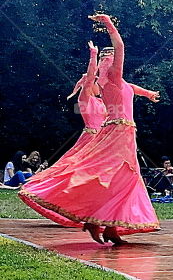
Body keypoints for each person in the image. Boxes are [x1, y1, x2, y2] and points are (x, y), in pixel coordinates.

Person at [20, 15, 160, 243]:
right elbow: (119, 47)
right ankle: (96, 220)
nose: (115, 58)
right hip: (117, 133)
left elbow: (132, 87)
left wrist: (148, 94)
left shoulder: (118, 82)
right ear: (110, 63)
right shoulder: (112, 78)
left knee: (123, 178)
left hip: (124, 134)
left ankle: (110, 225)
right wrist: (107, 26)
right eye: (112, 57)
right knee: (111, 176)